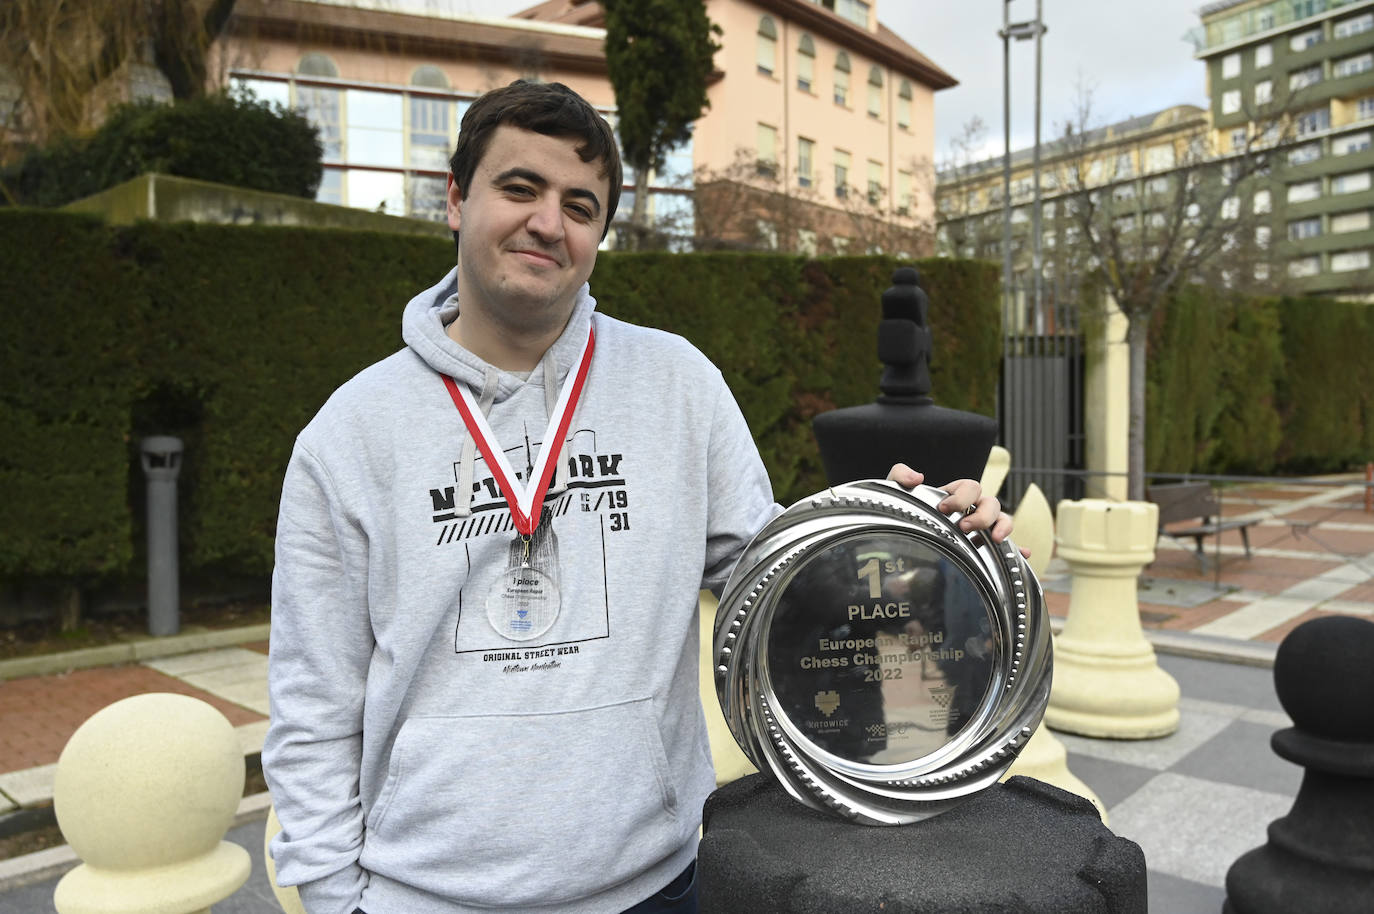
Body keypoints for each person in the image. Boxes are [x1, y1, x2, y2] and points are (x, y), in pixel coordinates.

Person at [263, 79, 1011, 914]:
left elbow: (787, 598)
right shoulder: (351, 433)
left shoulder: (678, 385)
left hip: (655, 888)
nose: (550, 221)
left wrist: (920, 547)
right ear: (455, 200)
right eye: (520, 188)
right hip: (424, 896)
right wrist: (335, 902)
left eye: (580, 205)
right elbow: (313, 704)